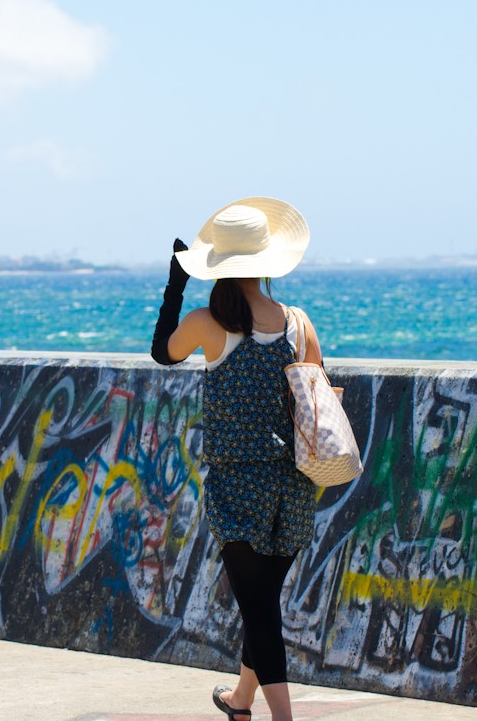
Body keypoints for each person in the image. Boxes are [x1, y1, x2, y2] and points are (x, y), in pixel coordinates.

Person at [149, 197, 319, 721]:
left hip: (238, 489)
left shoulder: (207, 324)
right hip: (293, 488)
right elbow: (313, 400)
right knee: (262, 602)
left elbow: (161, 351)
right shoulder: (297, 323)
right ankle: (241, 702)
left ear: (216, 266)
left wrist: (176, 285)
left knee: (261, 612)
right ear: (267, 262)